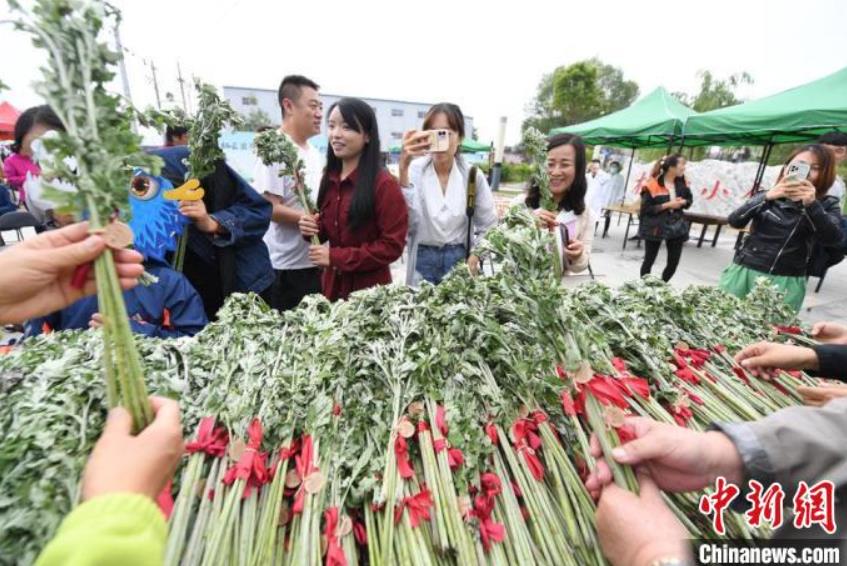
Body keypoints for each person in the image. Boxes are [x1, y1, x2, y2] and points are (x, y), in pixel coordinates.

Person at [298, 98, 408, 301]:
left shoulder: (384, 184)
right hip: (332, 291)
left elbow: (392, 246)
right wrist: (311, 227)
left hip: (369, 297)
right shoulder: (329, 177)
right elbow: (325, 231)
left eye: (346, 127)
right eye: (331, 126)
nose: (336, 134)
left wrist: (335, 257)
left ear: (367, 135)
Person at [150, 146, 274, 319]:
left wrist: (212, 223)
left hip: (237, 284)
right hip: (179, 301)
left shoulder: (189, 163)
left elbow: (259, 211)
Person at [719, 144, 843, 312]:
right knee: (724, 320)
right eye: (799, 165)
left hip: (787, 280)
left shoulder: (827, 204)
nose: (805, 172)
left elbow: (832, 238)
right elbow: (734, 221)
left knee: (771, 334)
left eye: (815, 168)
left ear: (825, 174)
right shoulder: (767, 195)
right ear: (786, 168)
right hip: (744, 270)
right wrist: (766, 197)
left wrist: (812, 205)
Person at [399, 103, 497, 284]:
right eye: (433, 133)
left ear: (459, 137)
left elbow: (489, 225)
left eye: (446, 133)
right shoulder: (415, 171)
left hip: (459, 259)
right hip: (422, 258)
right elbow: (406, 224)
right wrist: (403, 169)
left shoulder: (472, 176)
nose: (439, 140)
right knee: (421, 310)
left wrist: (476, 255)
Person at [253, 75, 325, 310]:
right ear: (289, 106)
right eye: (313, 106)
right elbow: (267, 206)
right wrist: (302, 219)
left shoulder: (314, 152)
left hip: (315, 262)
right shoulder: (274, 146)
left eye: (320, 107)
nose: (319, 114)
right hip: (286, 269)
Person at [0, 221, 144, 325]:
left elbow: (166, 336)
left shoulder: (158, 276)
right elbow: (38, 336)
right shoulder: (65, 272)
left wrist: (134, 328)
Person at [524, 133, 593, 279]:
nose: (555, 172)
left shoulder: (584, 213)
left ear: (578, 169)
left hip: (556, 292)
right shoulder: (521, 205)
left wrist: (578, 255)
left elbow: (581, 266)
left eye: (565, 164)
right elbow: (504, 249)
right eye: (550, 164)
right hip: (521, 290)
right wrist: (528, 225)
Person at [639, 155, 693, 282]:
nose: (684, 168)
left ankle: (661, 286)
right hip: (655, 227)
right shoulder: (652, 185)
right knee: (649, 260)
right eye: (682, 164)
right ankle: (644, 288)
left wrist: (683, 202)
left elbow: (689, 201)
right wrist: (668, 205)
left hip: (676, 226)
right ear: (671, 167)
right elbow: (646, 210)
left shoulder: (682, 183)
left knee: (673, 262)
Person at [3, 105, 49, 205]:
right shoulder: (10, 161)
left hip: (49, 194)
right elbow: (11, 180)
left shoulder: (41, 155)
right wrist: (32, 176)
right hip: (30, 198)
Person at [601, 160, 626, 238]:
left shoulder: (620, 178)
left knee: (608, 216)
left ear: (618, 168)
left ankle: (605, 231)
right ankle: (594, 230)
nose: (613, 168)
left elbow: (622, 189)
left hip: (612, 199)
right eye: (612, 166)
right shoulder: (605, 175)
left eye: (615, 167)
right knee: (597, 214)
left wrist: (620, 199)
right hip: (602, 198)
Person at [585, 158, 610, 223]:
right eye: (593, 167)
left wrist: (598, 173)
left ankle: (594, 232)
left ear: (599, 168)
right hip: (586, 200)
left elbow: (607, 178)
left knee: (595, 219)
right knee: (585, 218)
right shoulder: (587, 176)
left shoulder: (603, 176)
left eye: (596, 167)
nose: (594, 169)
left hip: (596, 202)